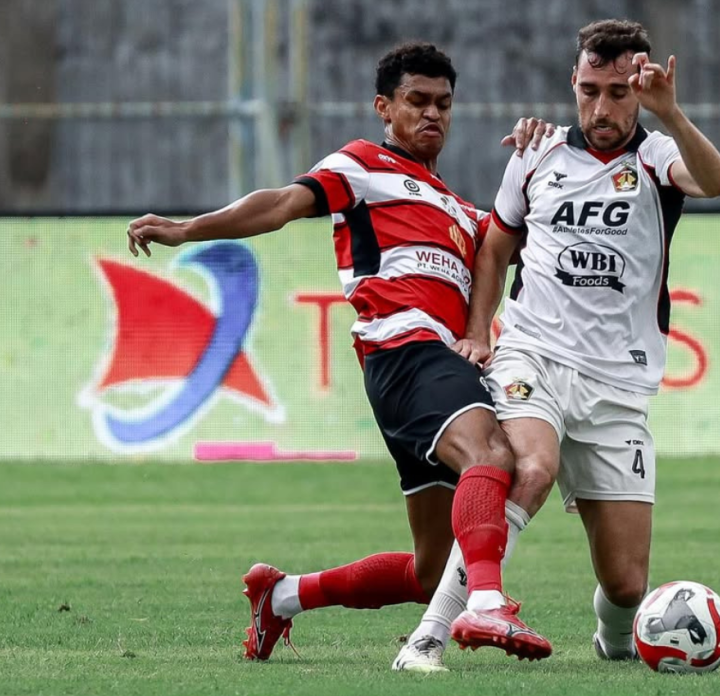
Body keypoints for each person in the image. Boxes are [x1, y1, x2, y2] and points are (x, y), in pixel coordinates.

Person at [125, 42, 555, 663]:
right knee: (490, 451)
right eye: (417, 101)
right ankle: (489, 606)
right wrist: (189, 228)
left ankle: (282, 596)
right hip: (405, 347)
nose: (432, 114)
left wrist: (541, 158)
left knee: (434, 572)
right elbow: (278, 205)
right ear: (384, 107)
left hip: (435, 370)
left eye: (444, 104)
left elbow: (530, 238)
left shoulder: (464, 211)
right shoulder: (362, 164)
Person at [397, 19, 720, 670]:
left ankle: (616, 637)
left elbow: (715, 182)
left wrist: (673, 114)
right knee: (531, 468)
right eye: (589, 90)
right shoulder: (536, 153)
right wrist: (477, 332)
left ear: (639, 91)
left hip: (618, 385)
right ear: (572, 84)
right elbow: (495, 248)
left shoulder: (659, 156)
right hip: (535, 354)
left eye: (616, 92)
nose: (601, 108)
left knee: (628, 584)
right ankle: (431, 635)